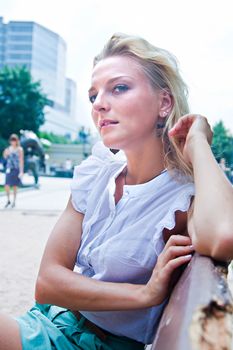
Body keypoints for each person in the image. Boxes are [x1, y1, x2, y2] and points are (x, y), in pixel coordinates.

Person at [1, 33, 233, 350]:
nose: (99, 104)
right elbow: (48, 282)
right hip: (54, 320)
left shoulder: (182, 196)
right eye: (93, 95)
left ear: (164, 103)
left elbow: (224, 235)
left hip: (97, 345)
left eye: (119, 88)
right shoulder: (96, 173)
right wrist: (144, 294)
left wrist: (198, 143)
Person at [2, 134, 24, 208]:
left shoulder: (20, 149)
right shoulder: (8, 149)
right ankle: (8, 200)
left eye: (14, 140)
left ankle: (14, 201)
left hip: (16, 169)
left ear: (17, 141)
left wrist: (21, 171)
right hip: (9, 169)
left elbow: (21, 160)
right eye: (12, 140)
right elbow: (4, 157)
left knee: (15, 186)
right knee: (6, 185)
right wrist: (5, 154)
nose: (13, 141)